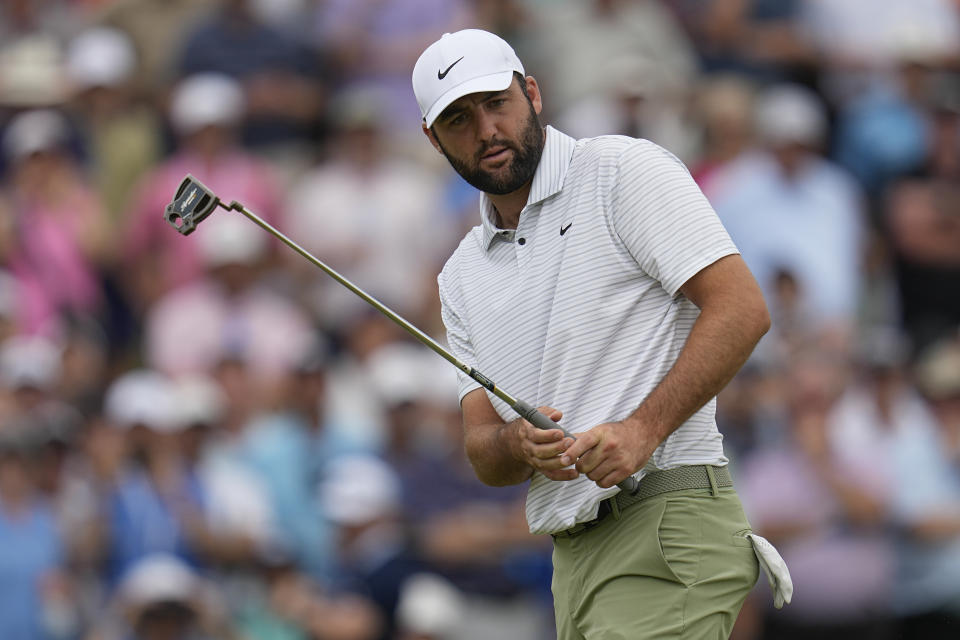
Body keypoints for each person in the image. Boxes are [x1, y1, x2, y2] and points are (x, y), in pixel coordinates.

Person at [411, 29, 773, 639]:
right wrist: (516, 445)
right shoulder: (460, 275)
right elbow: (481, 448)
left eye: (497, 104)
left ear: (532, 93)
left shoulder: (621, 170)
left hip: (666, 517)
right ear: (433, 139)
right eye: (458, 119)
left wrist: (642, 429)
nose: (486, 131)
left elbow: (741, 309)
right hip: (570, 556)